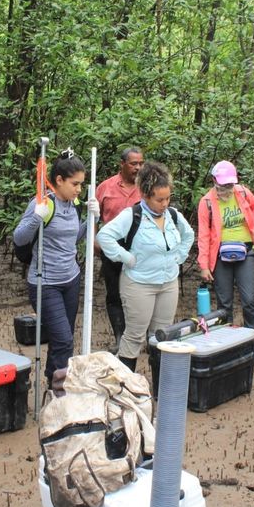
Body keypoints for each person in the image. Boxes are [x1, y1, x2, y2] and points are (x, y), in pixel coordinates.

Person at [97, 161, 194, 372]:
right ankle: (127, 387)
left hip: (168, 282)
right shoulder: (132, 216)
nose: (165, 204)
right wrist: (127, 258)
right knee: (134, 335)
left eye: (168, 198)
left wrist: (179, 256)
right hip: (139, 284)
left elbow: (188, 235)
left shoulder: (173, 215)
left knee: (162, 335)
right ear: (146, 196)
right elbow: (104, 236)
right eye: (160, 200)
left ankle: (161, 386)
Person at [13, 149, 98, 386]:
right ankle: (61, 388)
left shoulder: (74, 205)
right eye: (75, 184)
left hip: (70, 279)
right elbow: (19, 238)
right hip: (45, 282)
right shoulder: (42, 203)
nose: (79, 189)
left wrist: (92, 219)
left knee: (63, 338)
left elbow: (75, 238)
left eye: (81, 184)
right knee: (63, 339)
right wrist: (36, 218)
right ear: (59, 180)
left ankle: (53, 382)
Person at [196, 160, 254, 362]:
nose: (227, 189)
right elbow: (203, 235)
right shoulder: (206, 202)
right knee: (224, 304)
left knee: (249, 299)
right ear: (214, 180)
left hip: (245, 250)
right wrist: (204, 265)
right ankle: (228, 346)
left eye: (229, 185)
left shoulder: (242, 192)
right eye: (222, 185)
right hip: (220, 255)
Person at [95, 147, 144, 353]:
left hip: (141, 249)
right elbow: (93, 217)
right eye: (134, 164)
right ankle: (119, 337)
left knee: (141, 293)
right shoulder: (105, 187)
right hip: (112, 247)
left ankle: (142, 336)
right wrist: (95, 240)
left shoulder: (146, 187)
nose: (138, 168)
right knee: (114, 293)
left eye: (141, 163)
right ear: (122, 164)